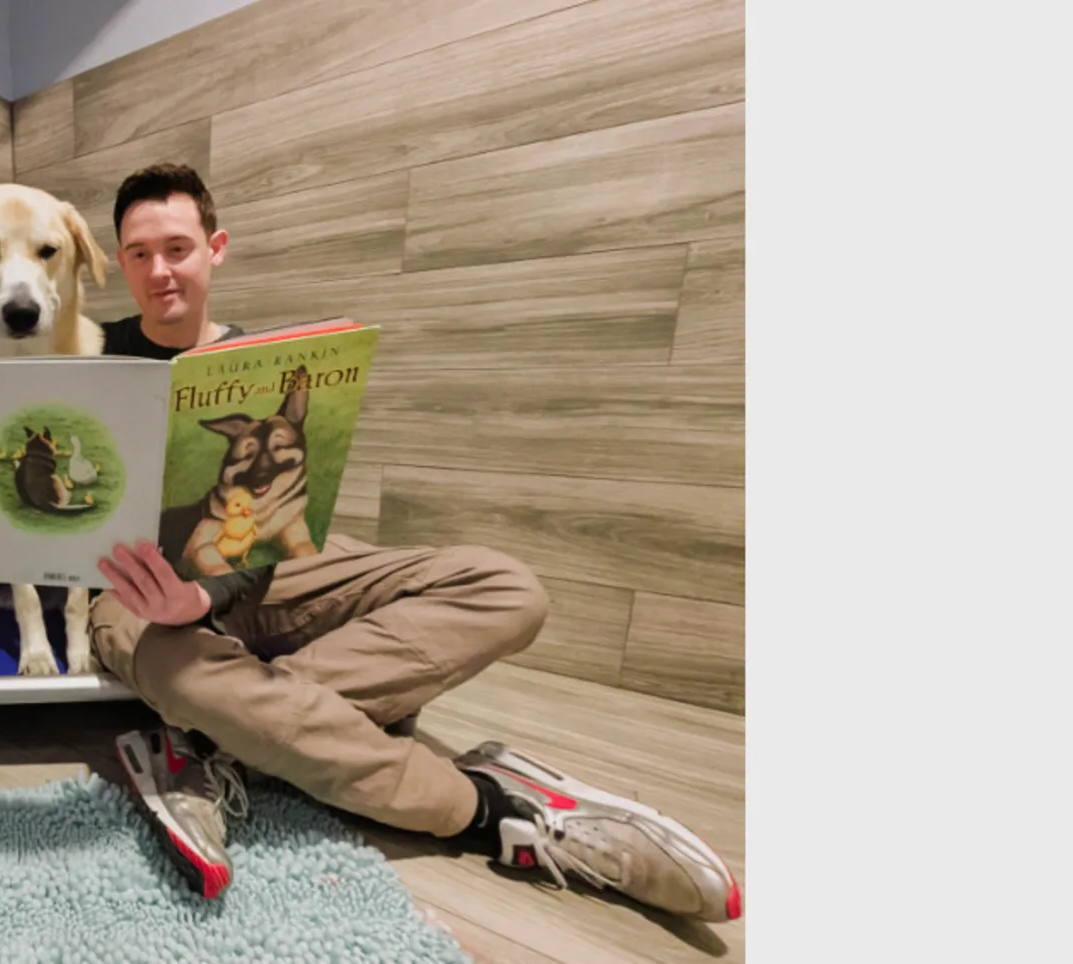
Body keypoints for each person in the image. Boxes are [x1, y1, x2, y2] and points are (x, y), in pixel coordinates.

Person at [80, 164, 742, 923]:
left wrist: (207, 595)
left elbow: (274, 530)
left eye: (177, 248)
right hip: (130, 589)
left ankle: (218, 740)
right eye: (139, 254)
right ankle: (499, 812)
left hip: (261, 562)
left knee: (508, 589)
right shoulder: (86, 351)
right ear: (120, 260)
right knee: (179, 667)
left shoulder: (260, 367)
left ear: (215, 248)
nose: (159, 272)